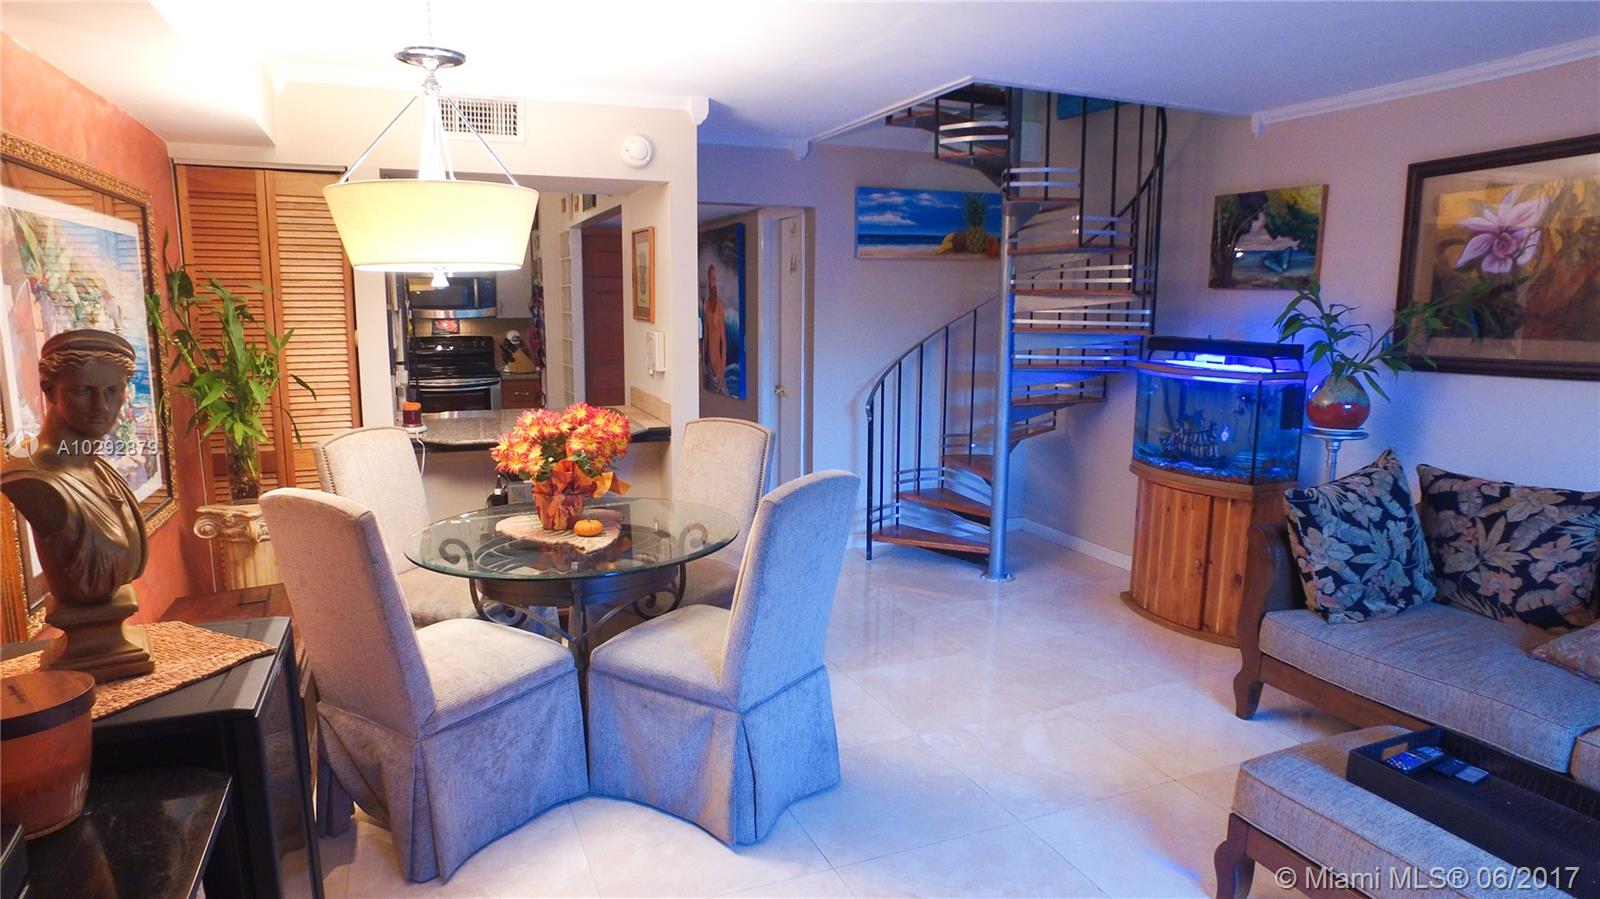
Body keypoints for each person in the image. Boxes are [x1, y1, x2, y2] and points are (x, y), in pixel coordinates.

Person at [1, 329, 153, 680]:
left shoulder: (96, 468)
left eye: (113, 391)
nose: (102, 407)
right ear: (49, 389)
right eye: (83, 391)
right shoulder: (31, 478)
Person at [701, 264, 727, 391]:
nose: (714, 283)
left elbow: (724, 342)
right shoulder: (706, 305)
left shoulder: (720, 306)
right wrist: (703, 361)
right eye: (712, 279)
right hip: (709, 364)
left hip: (717, 364)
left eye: (716, 279)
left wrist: (722, 370)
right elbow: (705, 337)